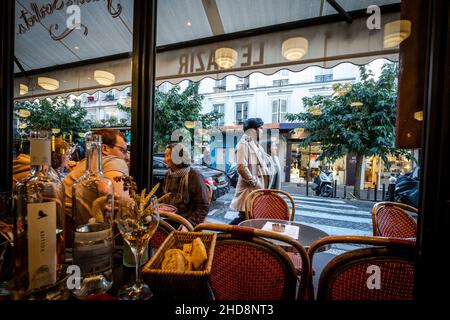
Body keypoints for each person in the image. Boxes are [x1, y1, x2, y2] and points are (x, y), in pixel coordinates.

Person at [63, 129, 130, 216]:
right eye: (123, 151)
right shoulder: (114, 160)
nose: (127, 157)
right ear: (104, 148)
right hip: (79, 225)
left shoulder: (85, 163)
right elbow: (111, 196)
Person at [229, 118, 271, 225]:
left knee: (250, 219)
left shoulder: (256, 145)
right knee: (245, 219)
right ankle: (223, 236)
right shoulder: (244, 143)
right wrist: (254, 181)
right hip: (249, 190)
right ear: (253, 130)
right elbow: (241, 167)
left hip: (257, 190)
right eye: (260, 128)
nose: (262, 131)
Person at [162, 143, 210, 227]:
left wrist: (188, 225)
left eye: (167, 156)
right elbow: (165, 199)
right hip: (168, 219)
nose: (164, 159)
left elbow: (203, 207)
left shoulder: (194, 176)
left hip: (185, 222)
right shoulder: (168, 174)